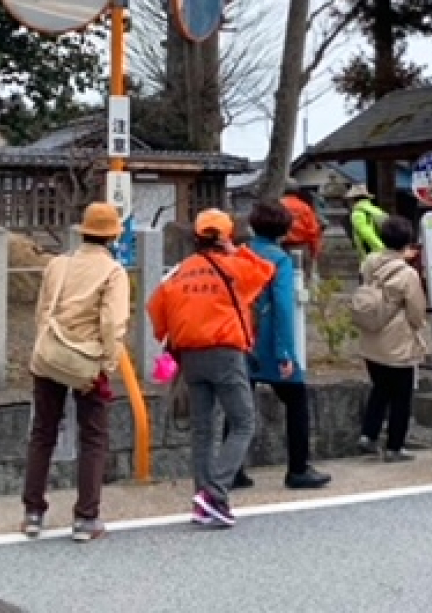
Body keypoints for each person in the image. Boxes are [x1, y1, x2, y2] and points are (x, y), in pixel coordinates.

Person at [147, 209, 274, 529]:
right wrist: (238, 250)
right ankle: (215, 493)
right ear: (225, 235)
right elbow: (265, 272)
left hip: (190, 355)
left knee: (203, 429)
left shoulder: (179, 272)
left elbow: (156, 309)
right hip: (225, 352)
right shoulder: (235, 267)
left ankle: (203, 499)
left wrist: (169, 335)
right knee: (244, 422)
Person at [21, 202, 130, 542]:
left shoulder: (57, 264)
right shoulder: (113, 272)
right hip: (86, 361)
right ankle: (86, 518)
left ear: (83, 231)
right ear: (113, 235)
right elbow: (113, 323)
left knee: (43, 433)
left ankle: (33, 513)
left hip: (50, 356)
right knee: (93, 437)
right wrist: (107, 363)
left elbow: (42, 310)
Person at [234, 201, 330, 491]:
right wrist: (285, 352)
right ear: (285, 229)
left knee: (238, 406)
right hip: (268, 341)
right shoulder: (279, 260)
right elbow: (284, 309)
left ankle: (234, 468)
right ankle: (298, 468)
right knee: (296, 398)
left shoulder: (239, 254)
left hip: (238, 338)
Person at [356, 216, 429, 462]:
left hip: (370, 338)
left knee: (380, 389)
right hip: (397, 341)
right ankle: (394, 446)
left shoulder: (369, 263)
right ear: (406, 242)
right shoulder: (407, 274)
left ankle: (368, 434)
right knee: (401, 395)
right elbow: (416, 310)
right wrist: (420, 331)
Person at [280, 183, 325, 280]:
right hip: (301, 246)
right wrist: (314, 251)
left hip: (280, 247)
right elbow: (313, 231)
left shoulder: (277, 206)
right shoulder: (304, 207)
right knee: (302, 279)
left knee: (282, 278)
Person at [346, 185, 388, 261]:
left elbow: (367, 235)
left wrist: (383, 251)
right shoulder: (377, 210)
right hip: (385, 248)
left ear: (353, 199)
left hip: (373, 256)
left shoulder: (358, 213)